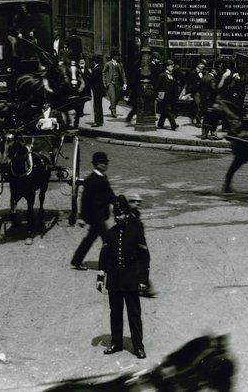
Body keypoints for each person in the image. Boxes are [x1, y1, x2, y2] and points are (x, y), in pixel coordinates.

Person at [98, 194, 150, 359]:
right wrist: (100, 276)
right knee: (116, 312)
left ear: (127, 214)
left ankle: (138, 346)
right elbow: (104, 255)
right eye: (116, 215)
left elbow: (145, 256)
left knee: (134, 314)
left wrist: (143, 279)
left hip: (131, 278)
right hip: (114, 279)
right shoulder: (111, 233)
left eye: (120, 214)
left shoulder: (136, 231)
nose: (117, 218)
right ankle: (116, 342)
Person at [71, 150, 115, 269]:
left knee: (90, 239)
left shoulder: (103, 177)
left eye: (106, 162)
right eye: (102, 163)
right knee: (107, 239)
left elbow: (109, 195)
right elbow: (85, 200)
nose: (105, 165)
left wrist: (118, 202)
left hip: (101, 215)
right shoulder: (91, 179)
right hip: (95, 216)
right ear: (96, 164)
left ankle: (76, 260)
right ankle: (113, 263)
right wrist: (81, 217)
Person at [157, 60, 183, 130]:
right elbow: (158, 86)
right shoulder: (162, 75)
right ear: (166, 67)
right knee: (168, 111)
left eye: (173, 66)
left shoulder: (172, 76)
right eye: (171, 66)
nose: (172, 68)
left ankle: (160, 123)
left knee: (164, 112)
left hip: (171, 97)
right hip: (164, 96)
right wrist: (158, 96)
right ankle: (173, 125)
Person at [103, 53, 125, 119]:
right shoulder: (108, 64)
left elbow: (123, 74)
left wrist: (125, 83)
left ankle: (112, 106)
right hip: (111, 83)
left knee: (118, 97)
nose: (118, 57)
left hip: (118, 83)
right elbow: (103, 72)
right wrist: (105, 82)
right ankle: (113, 111)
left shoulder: (120, 64)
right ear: (114, 56)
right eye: (117, 56)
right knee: (113, 97)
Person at [87, 56, 106, 128]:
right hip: (99, 90)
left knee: (96, 106)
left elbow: (93, 78)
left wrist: (90, 72)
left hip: (97, 90)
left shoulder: (97, 69)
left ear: (94, 61)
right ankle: (100, 121)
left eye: (92, 61)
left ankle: (97, 121)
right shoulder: (99, 68)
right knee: (99, 106)